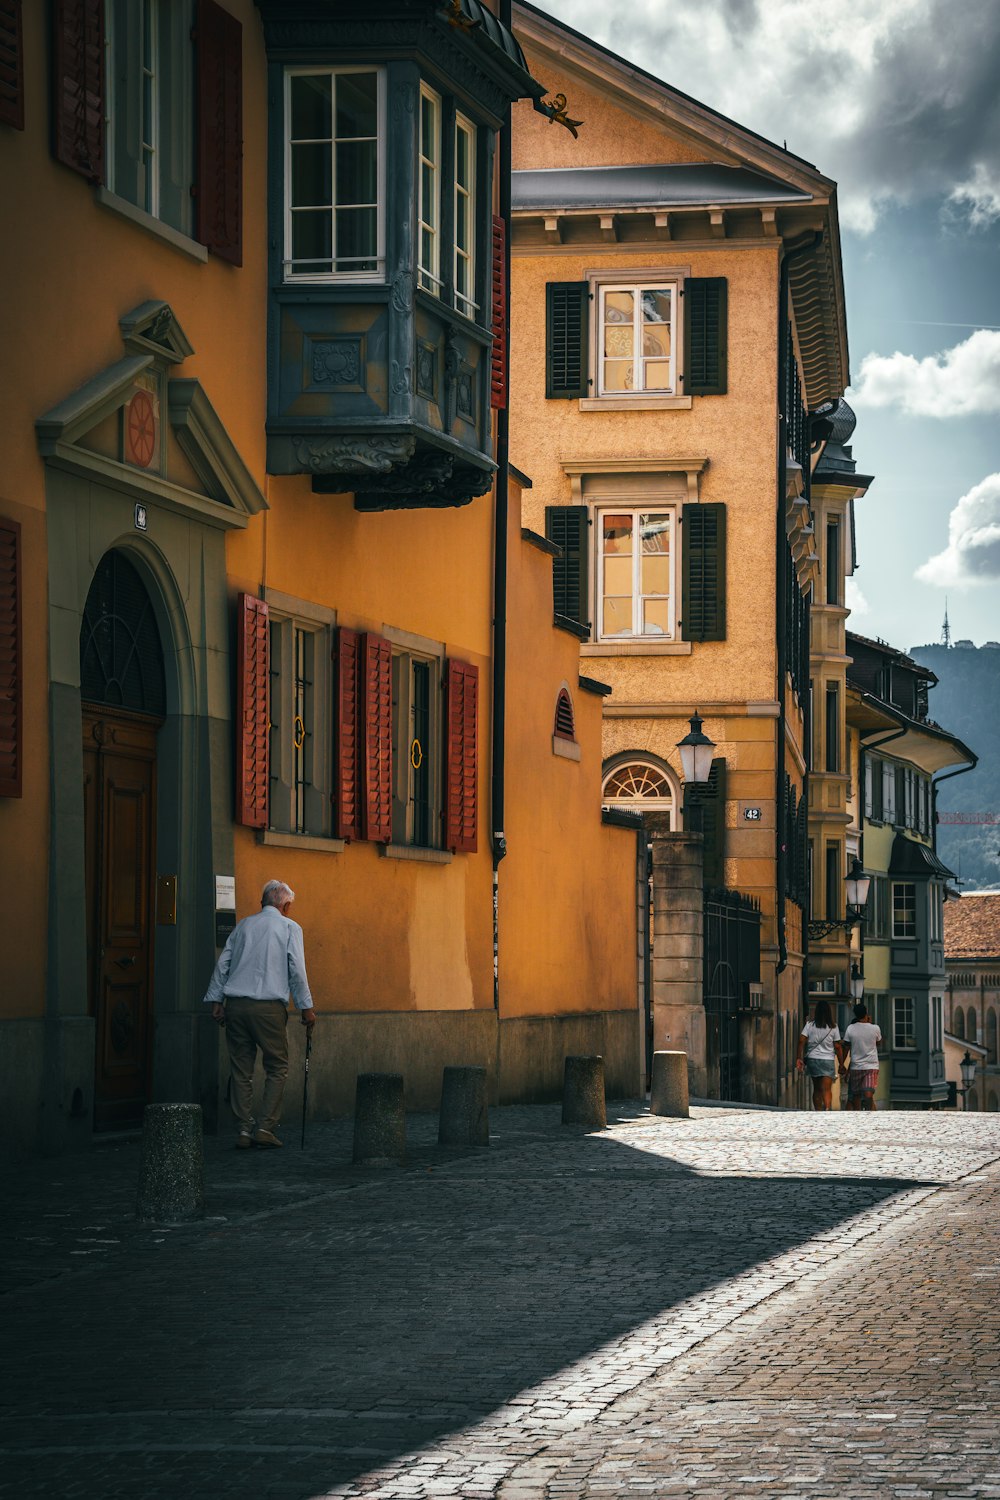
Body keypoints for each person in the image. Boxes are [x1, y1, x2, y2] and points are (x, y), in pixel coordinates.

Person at [203, 879, 315, 1148]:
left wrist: (216, 999)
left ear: (262, 902)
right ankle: (265, 1127)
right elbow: (296, 970)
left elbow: (224, 964)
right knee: (277, 1066)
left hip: (237, 1006)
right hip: (268, 1008)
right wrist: (306, 1007)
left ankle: (243, 1129)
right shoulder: (290, 927)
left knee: (241, 1069)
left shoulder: (243, 926)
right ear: (286, 906)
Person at [795, 999, 844, 1111]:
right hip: (827, 1060)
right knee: (826, 1089)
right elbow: (837, 1046)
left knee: (817, 1088)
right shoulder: (833, 1027)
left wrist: (799, 1057)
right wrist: (841, 1063)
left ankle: (818, 1111)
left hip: (813, 1060)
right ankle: (827, 1109)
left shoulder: (809, 1025)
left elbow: (801, 1041)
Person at [840, 1001, 883, 1112]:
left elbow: (846, 1047)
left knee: (857, 1095)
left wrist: (841, 1064)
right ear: (866, 1013)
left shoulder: (850, 1028)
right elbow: (878, 1043)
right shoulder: (875, 1028)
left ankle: (862, 1115)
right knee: (865, 1094)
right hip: (870, 1065)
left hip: (857, 1066)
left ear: (855, 1014)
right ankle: (864, 1115)